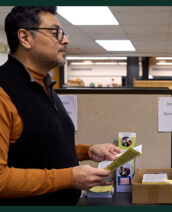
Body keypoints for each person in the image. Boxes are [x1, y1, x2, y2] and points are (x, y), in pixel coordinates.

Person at [0, 6, 122, 205]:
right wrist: (70, 177)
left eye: (63, 33)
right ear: (25, 38)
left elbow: (38, 147)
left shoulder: (42, 84)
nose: (65, 40)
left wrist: (87, 151)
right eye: (55, 32)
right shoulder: (4, 91)